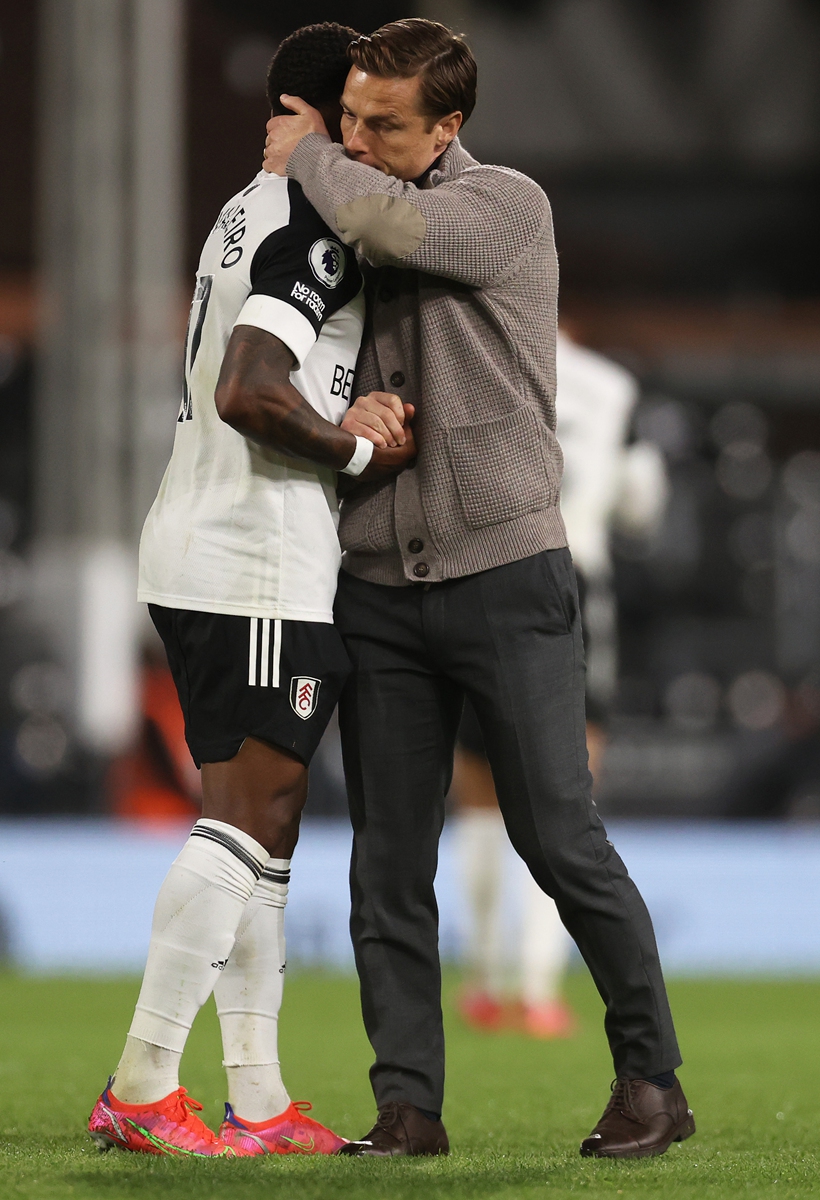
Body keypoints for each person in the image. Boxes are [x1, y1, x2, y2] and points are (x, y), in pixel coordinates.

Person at [262, 17, 693, 1160]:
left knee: (558, 839)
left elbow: (378, 218)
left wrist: (303, 149)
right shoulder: (352, 192)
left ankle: (651, 1081)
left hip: (506, 571)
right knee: (388, 865)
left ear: (447, 128)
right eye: (345, 114)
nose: (355, 138)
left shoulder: (503, 202)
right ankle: (407, 1109)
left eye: (379, 124)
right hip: (379, 586)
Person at [88, 23, 415, 1160]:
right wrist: (361, 452)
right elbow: (250, 388)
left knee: (264, 835)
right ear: (329, 117)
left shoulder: (246, 205)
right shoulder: (313, 218)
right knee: (246, 822)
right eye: (364, 117)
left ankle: (260, 1101)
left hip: (198, 541)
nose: (378, 143)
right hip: (256, 554)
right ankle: (140, 1085)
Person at [452, 329, 669, 1040]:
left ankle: (482, 983)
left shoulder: (473, 359)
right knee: (566, 796)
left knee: (480, 798)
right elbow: (642, 501)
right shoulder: (611, 385)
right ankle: (540, 992)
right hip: (571, 584)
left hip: (481, 577)